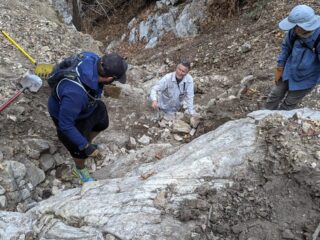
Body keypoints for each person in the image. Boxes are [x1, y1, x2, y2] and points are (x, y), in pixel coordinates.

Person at [48, 52, 127, 183]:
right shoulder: (75, 93)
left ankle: (86, 142)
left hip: (85, 106)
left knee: (103, 121)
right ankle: (79, 169)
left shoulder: (93, 58)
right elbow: (66, 125)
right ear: (109, 78)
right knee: (79, 148)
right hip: (68, 118)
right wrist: (84, 146)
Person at [265, 4, 320, 110]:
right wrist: (280, 67)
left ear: (306, 25)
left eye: (296, 27)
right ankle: (263, 115)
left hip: (307, 77)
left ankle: (276, 122)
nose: (293, 29)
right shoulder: (294, 31)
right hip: (289, 70)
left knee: (289, 103)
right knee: (274, 95)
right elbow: (286, 48)